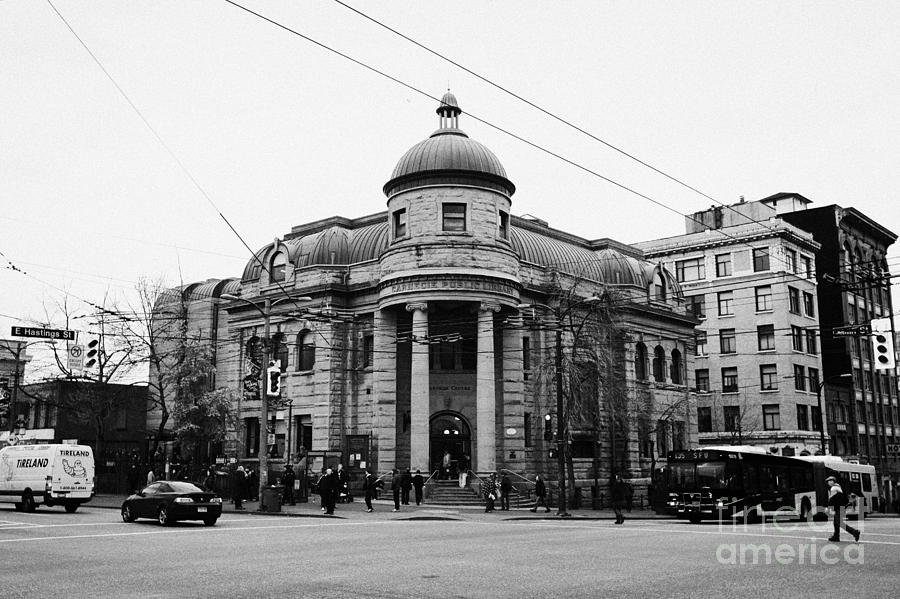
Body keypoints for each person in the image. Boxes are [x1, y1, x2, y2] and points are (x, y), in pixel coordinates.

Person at [826, 475, 860, 542]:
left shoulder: (833, 488)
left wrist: (829, 508)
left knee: (839, 522)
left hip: (838, 508)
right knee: (836, 522)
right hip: (841, 507)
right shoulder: (838, 487)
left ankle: (855, 532)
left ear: (833, 481)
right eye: (827, 481)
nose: (828, 482)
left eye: (829, 481)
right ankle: (836, 536)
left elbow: (832, 500)